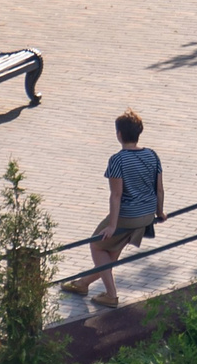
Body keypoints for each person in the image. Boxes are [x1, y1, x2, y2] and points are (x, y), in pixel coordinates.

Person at [61, 109, 163, 309]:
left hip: (128, 215)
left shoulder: (117, 160)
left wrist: (112, 226)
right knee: (111, 250)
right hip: (147, 214)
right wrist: (160, 212)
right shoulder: (152, 155)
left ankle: (111, 295)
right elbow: (159, 188)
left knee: (97, 244)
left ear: (119, 134)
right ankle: (83, 284)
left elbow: (116, 195)